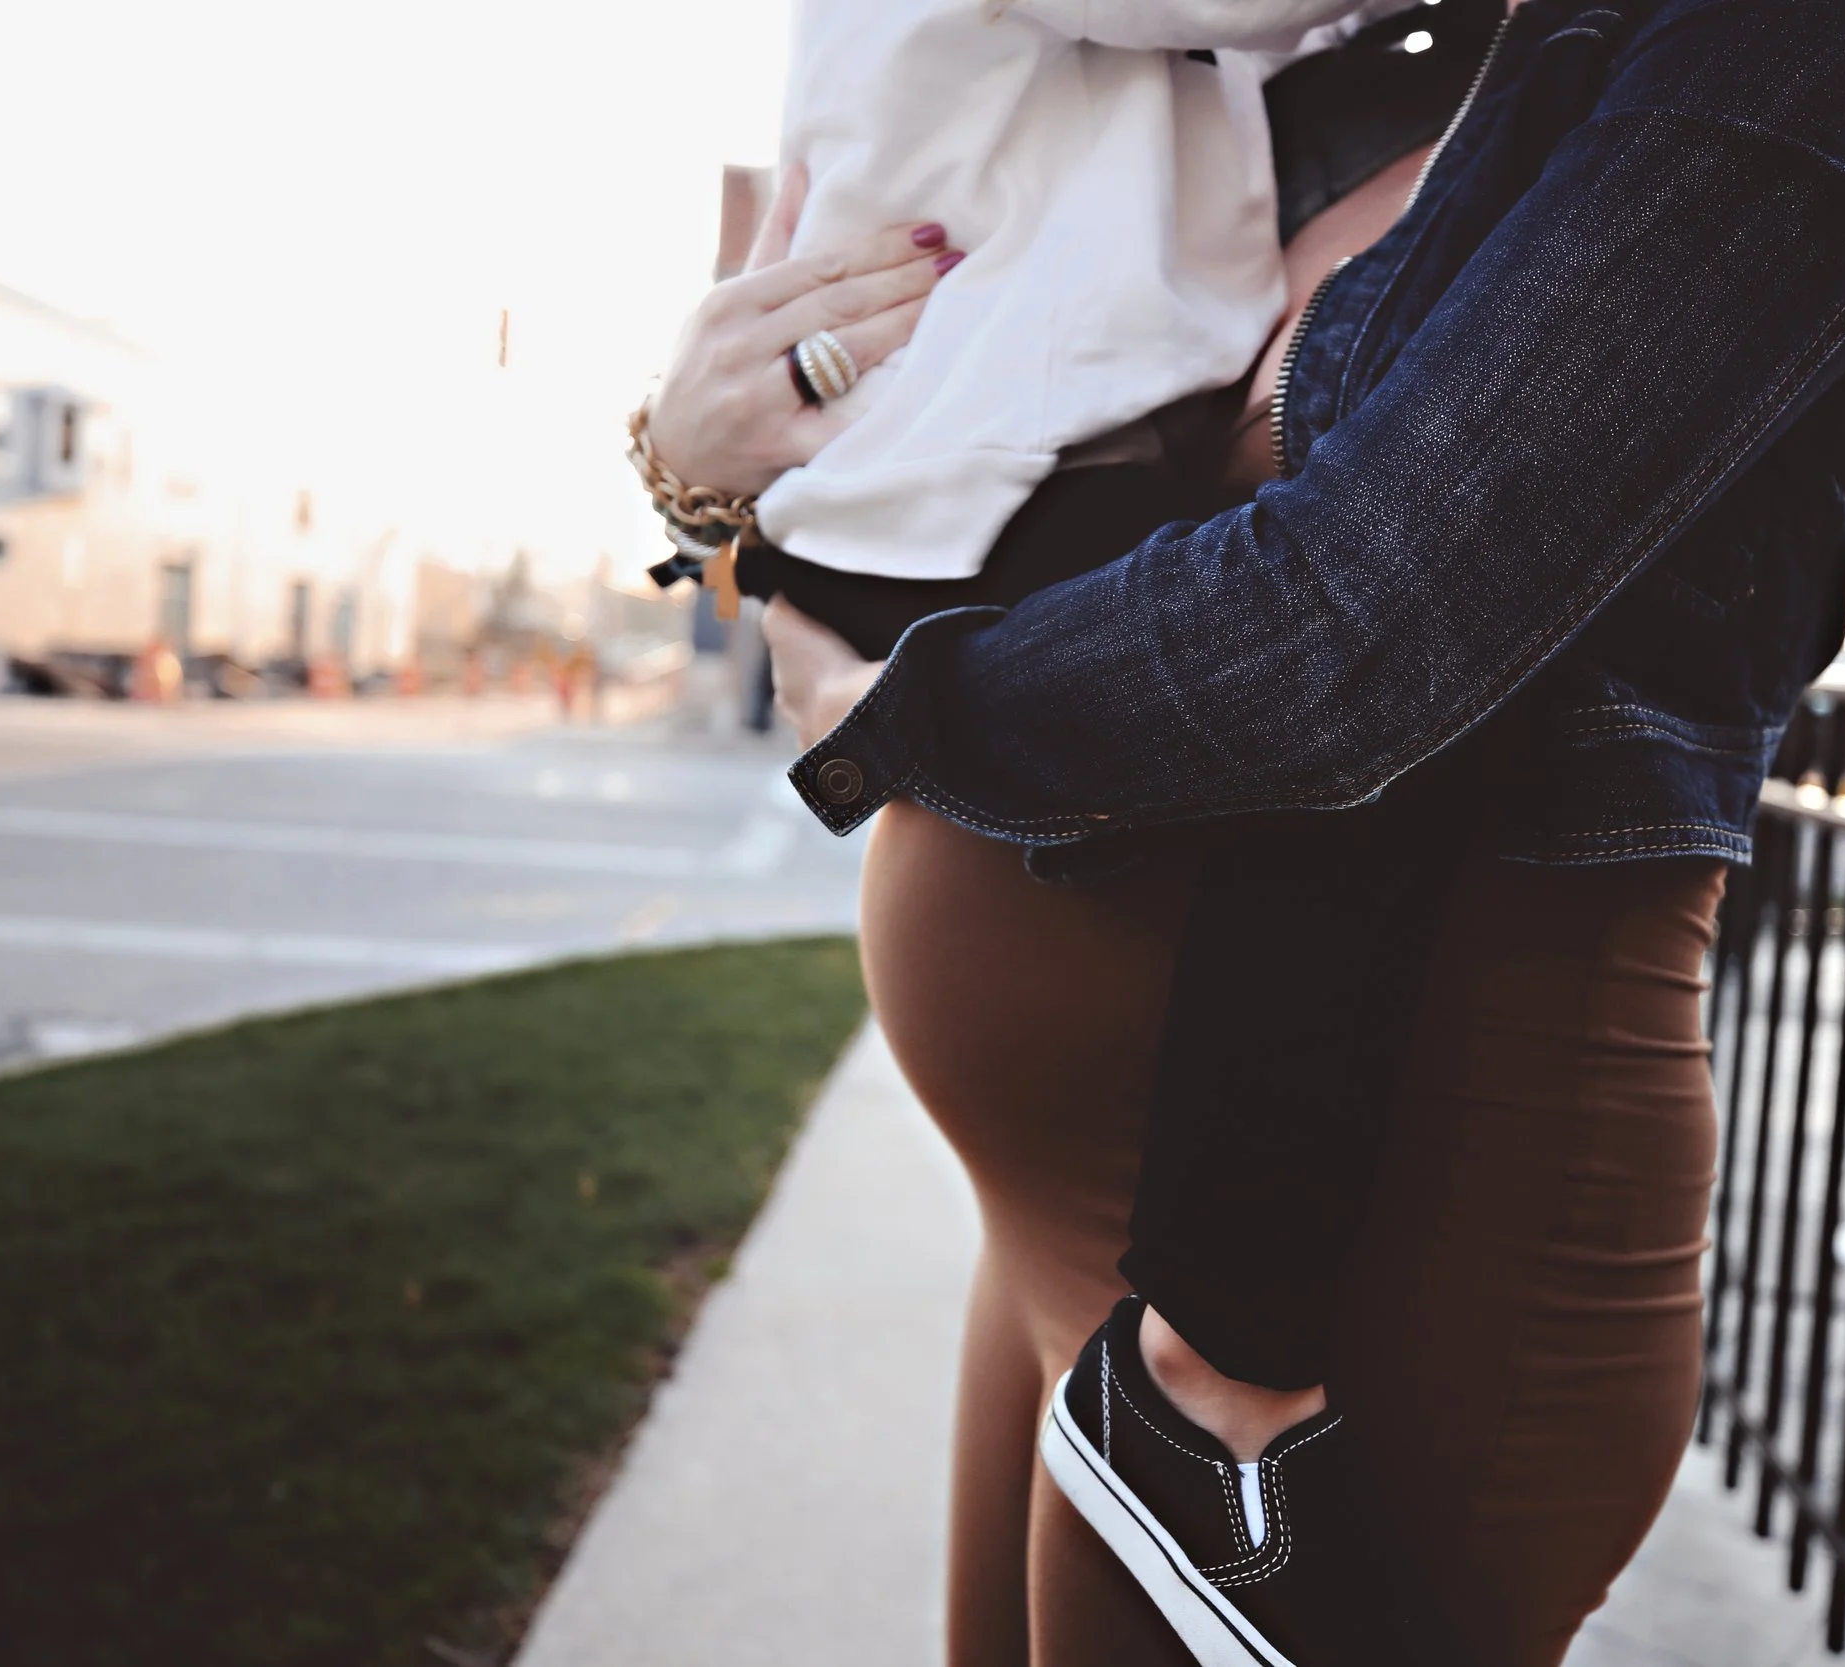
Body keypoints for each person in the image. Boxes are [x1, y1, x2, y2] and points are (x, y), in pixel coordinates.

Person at [642, 0, 1845, 1659]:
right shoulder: (1421, 48)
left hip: (1385, 1240)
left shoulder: (1830, 38)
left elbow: (1360, 626)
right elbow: (987, 441)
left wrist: (910, 717)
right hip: (1076, 1209)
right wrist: (694, 471)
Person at [635, 5, 1535, 1658]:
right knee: (1326, 742)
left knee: (1329, 722)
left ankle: (1216, 1377)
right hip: (982, 481)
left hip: (977, 477)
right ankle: (1232, 1380)